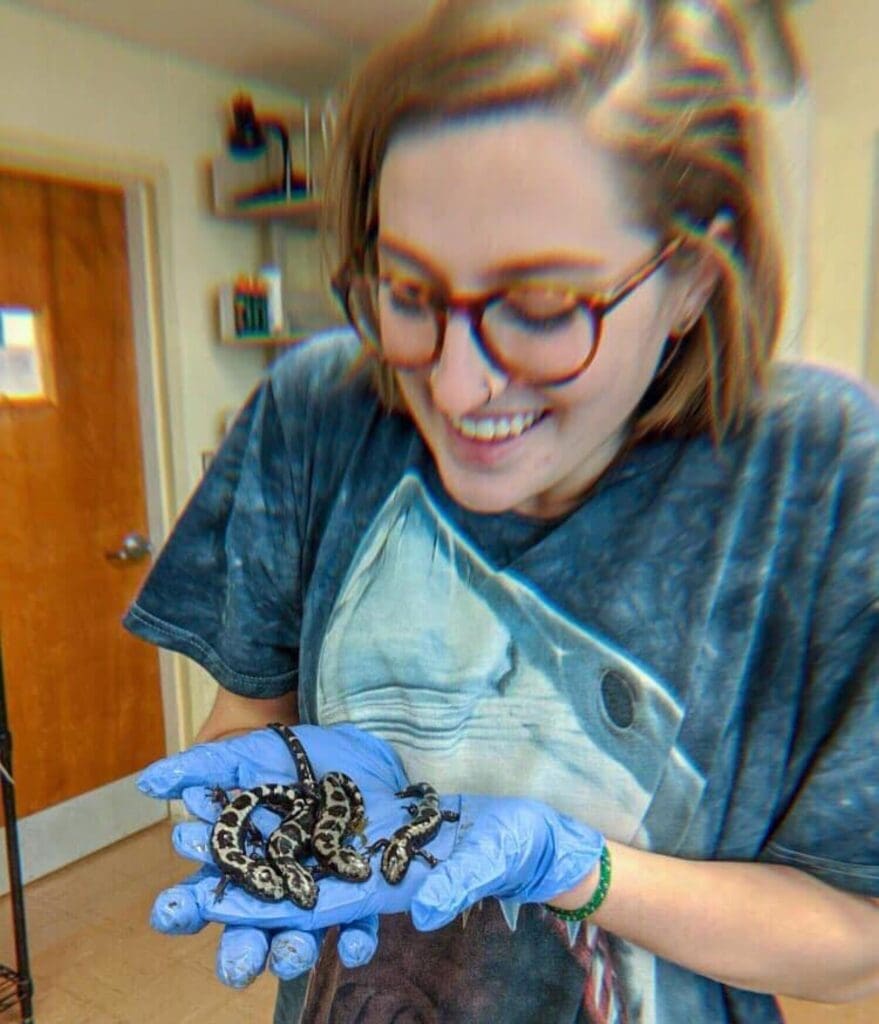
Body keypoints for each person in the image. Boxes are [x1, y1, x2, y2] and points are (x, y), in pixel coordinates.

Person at [128, 1, 879, 1021]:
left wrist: (574, 865)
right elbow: (252, 720)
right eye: (409, 290)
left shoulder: (818, 477)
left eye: (540, 306)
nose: (460, 383)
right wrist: (264, 801)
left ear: (694, 279)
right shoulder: (318, 412)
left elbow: (854, 949)